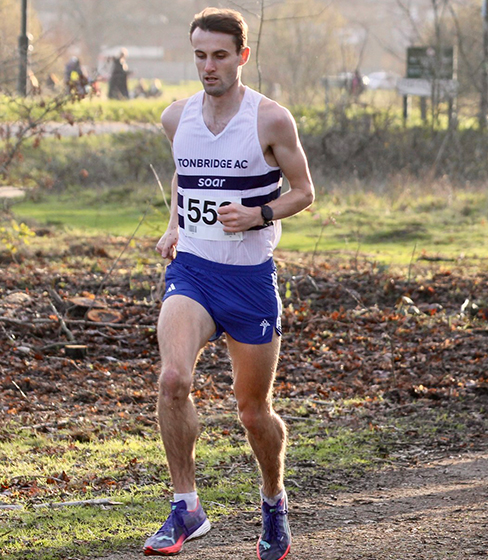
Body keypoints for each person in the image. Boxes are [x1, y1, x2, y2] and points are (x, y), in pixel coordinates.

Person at [144, 8, 315, 559]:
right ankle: (186, 506)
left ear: (242, 56)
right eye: (199, 55)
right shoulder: (176, 117)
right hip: (193, 270)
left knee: (252, 410)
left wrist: (261, 213)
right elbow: (183, 173)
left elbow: (305, 191)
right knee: (172, 380)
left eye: (219, 55)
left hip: (249, 282)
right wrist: (174, 225)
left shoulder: (270, 120)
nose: (208, 66)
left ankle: (273, 502)